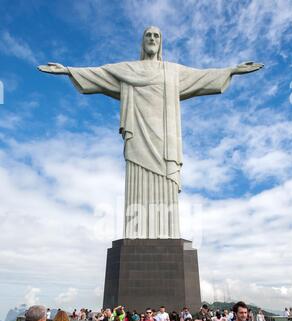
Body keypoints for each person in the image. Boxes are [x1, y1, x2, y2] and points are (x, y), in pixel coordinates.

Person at [38, 28, 263, 240]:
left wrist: (232, 70)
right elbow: (100, 74)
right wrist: (68, 70)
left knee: (166, 185)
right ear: (143, 41)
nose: (152, 39)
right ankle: (137, 234)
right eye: (148, 35)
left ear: (161, 42)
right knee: (137, 180)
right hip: (138, 137)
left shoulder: (173, 71)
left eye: (156, 36)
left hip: (165, 142)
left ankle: (166, 233)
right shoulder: (127, 70)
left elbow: (202, 77)